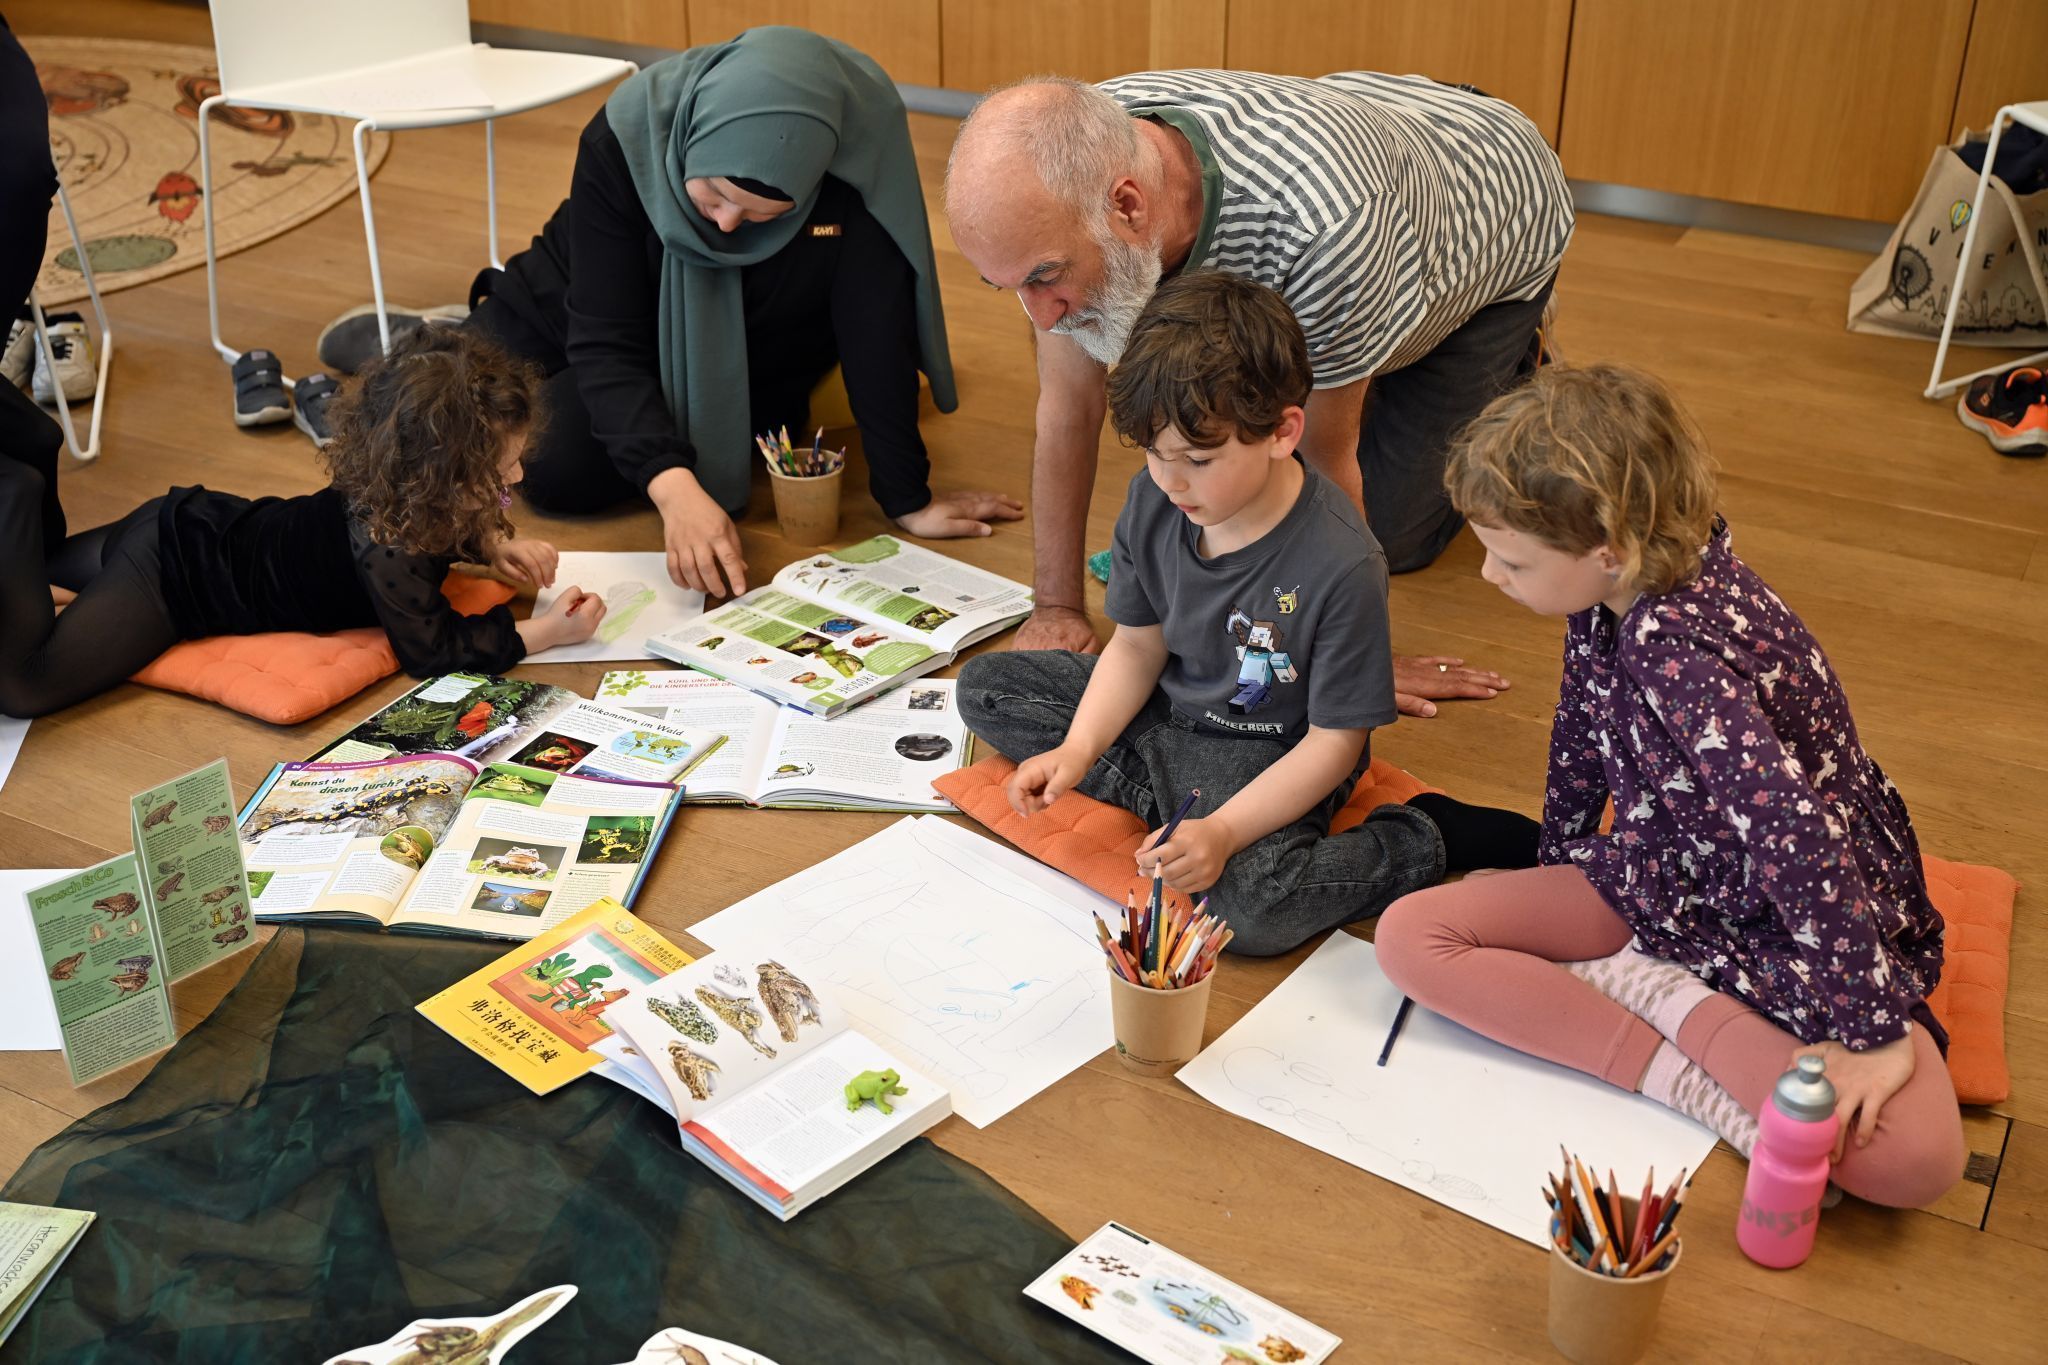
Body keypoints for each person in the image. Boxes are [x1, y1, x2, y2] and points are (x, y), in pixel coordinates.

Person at [1373, 363, 1965, 1207]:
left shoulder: (1678, 653)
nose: (1489, 577)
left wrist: (1874, 1032)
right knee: (1407, 938)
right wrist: (1557, 867)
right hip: (1668, 873)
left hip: (1781, 915)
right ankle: (1676, 1064)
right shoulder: (1620, 592)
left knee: (1918, 1163)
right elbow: (1579, 735)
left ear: (1607, 548)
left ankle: (1656, 986)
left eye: (1509, 558)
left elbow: (1796, 842)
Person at [944, 72, 1573, 716]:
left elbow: (1331, 455)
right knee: (1252, 477)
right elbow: (1069, 407)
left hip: (1487, 204)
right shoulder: (1067, 173)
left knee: (1391, 532)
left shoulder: (1327, 227)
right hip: (1371, 142)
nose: (1040, 317)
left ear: (1128, 206)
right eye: (1011, 286)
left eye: (1046, 277)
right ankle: (1345, 344)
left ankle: (1497, 360)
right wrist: (1056, 607)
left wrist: (1360, 666)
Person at [957, 273, 1537, 956]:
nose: (1171, 481)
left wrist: (1226, 831)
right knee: (985, 687)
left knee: (1254, 911)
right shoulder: (1158, 498)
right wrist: (1078, 750)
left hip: (1269, 747)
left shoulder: (1342, 562)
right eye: (1154, 453)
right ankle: (1171, 798)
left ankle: (1426, 835)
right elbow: (1136, 650)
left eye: (1199, 459)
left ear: (1283, 432)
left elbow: (1334, 743)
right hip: (1165, 711)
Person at [356, 26, 1018, 598]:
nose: (727, 227)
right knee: (443, 404)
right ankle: (406, 340)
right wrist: (675, 490)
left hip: (746, 341)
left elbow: (877, 328)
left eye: (760, 216)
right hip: (575, 296)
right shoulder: (626, 134)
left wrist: (909, 497)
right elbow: (606, 334)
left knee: (558, 467)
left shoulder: (853, 172)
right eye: (712, 199)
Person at [0, 328, 603, 719]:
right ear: (443, 473)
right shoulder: (392, 545)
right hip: (175, 577)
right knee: (26, 686)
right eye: (501, 470)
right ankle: (14, 490)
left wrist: (495, 544)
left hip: (182, 524)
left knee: (31, 579)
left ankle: (21, 480)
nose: (518, 477)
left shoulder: (405, 488)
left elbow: (456, 524)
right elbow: (434, 653)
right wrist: (545, 633)